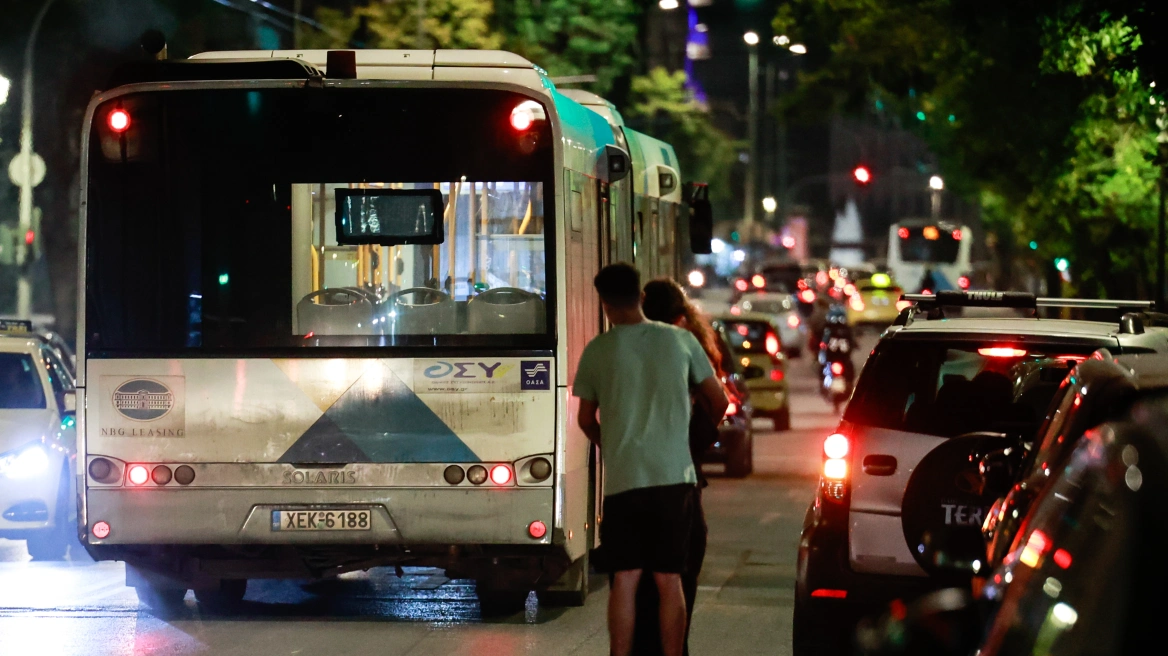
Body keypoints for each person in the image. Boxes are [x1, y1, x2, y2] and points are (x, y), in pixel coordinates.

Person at [575, 263, 728, 656]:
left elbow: (585, 419)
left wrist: (611, 445)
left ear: (605, 304)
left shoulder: (598, 350)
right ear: (640, 297)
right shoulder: (680, 341)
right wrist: (687, 439)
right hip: (675, 480)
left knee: (624, 580)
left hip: (625, 481)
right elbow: (720, 400)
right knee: (669, 579)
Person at [634, 278, 725, 656]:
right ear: (681, 317)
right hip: (684, 486)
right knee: (677, 583)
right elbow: (718, 403)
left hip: (637, 485)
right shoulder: (689, 347)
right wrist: (696, 438)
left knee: (638, 589)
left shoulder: (630, 350)